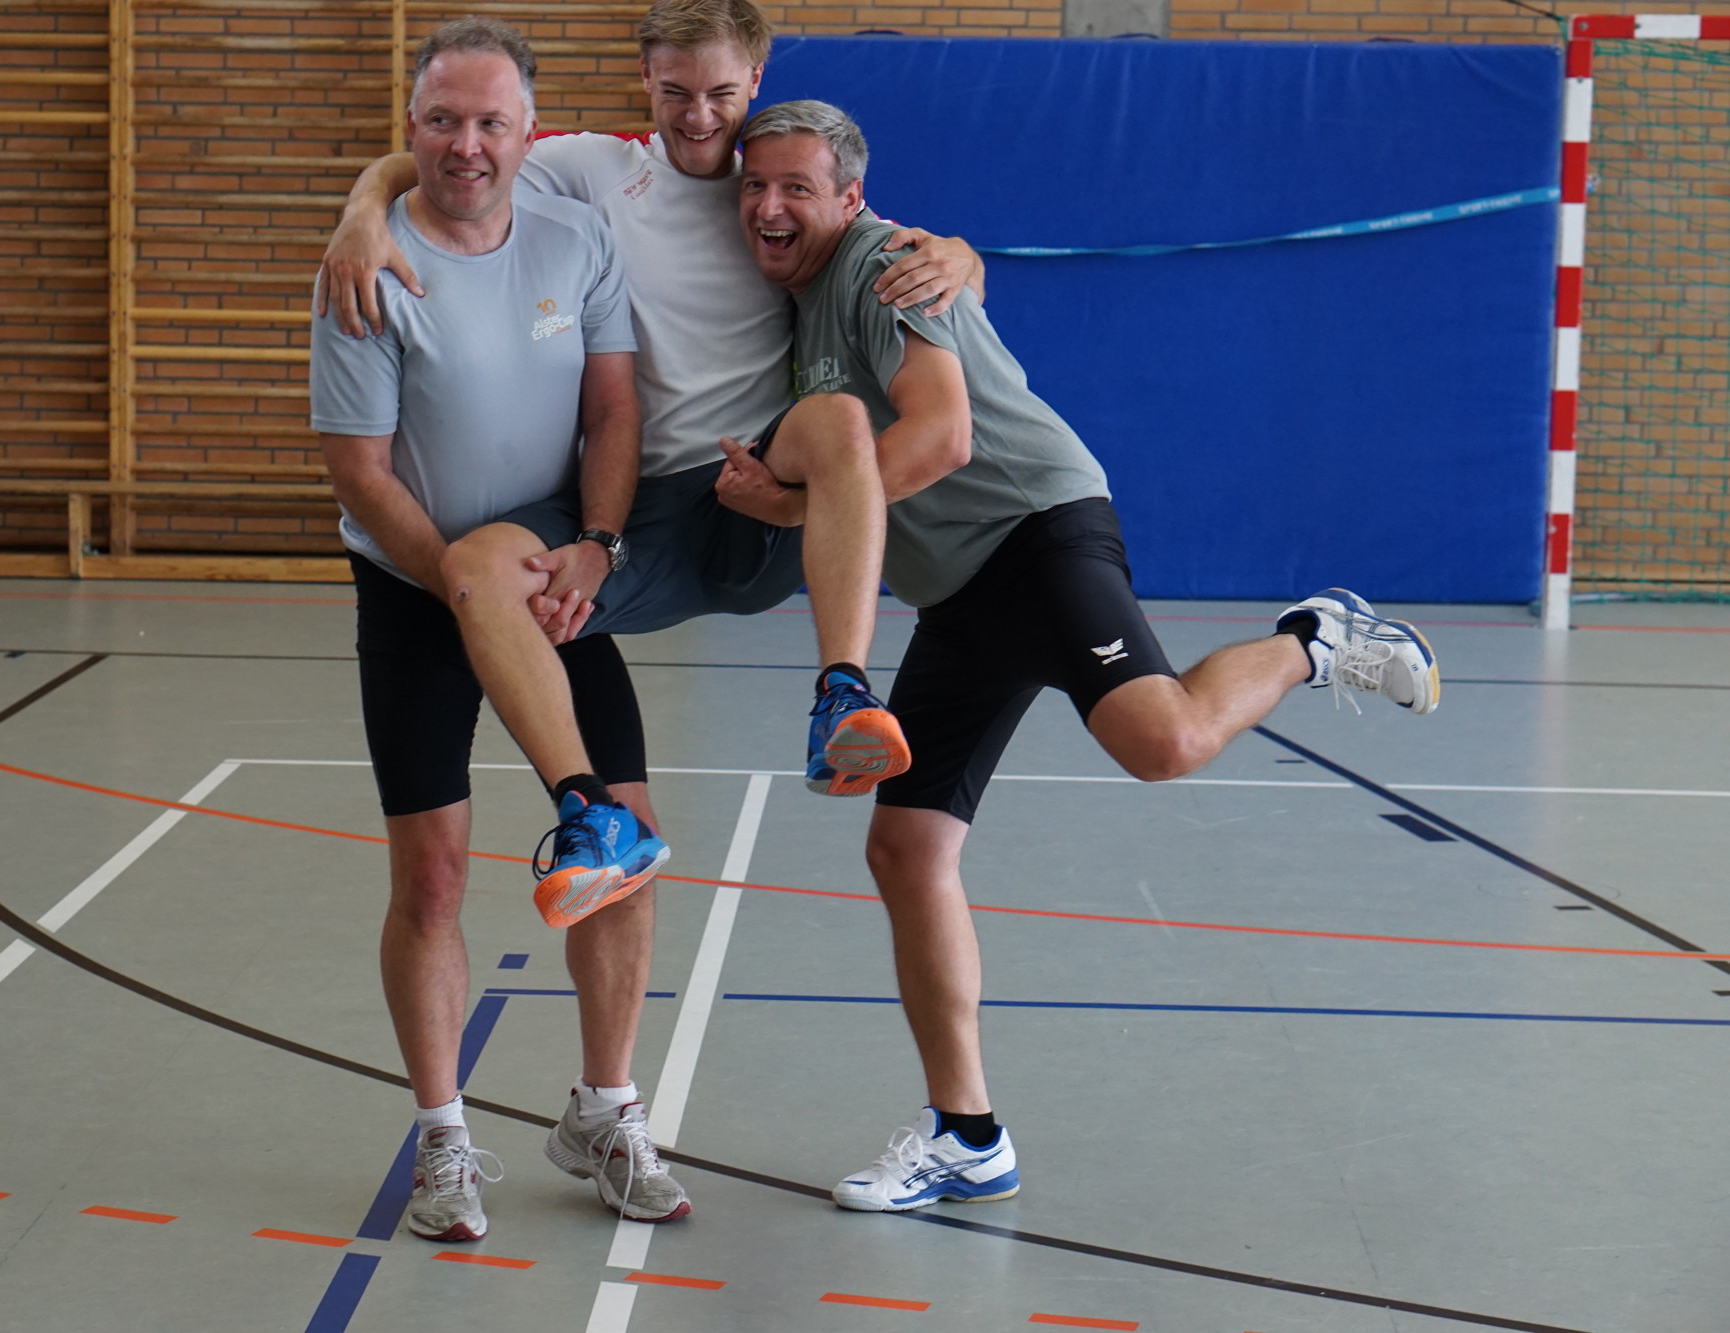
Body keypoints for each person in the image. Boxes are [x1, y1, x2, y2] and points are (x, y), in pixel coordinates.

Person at [720, 99, 1441, 1213]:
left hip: (1031, 527)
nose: (769, 206)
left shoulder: (874, 265)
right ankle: (967, 1137)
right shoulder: (806, 292)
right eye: (755, 186)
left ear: (849, 198)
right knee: (906, 849)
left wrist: (788, 502)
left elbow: (942, 436)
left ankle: (1318, 636)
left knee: (1163, 743)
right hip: (955, 588)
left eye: (796, 188)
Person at [317, 1, 991, 906]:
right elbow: (459, 153)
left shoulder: (778, 188)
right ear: (645, 79)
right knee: (482, 569)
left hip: (749, 492)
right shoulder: (591, 169)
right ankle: (591, 812)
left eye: (720, 93)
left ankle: (843, 689)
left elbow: (888, 241)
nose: (699, 115)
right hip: (641, 508)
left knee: (834, 418)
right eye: (676, 91)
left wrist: (963, 256)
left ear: (755, 82)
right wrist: (364, 211)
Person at [308, 17, 687, 1243]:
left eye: (488, 123)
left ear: (530, 134)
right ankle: (442, 1139)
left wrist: (598, 545)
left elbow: (614, 412)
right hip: (418, 595)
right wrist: (465, 591)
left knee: (623, 845)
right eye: (440, 121)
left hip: (553, 584)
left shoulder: (574, 240)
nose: (463, 145)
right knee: (430, 874)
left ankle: (605, 1112)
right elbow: (360, 472)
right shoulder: (368, 268)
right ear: (410, 129)